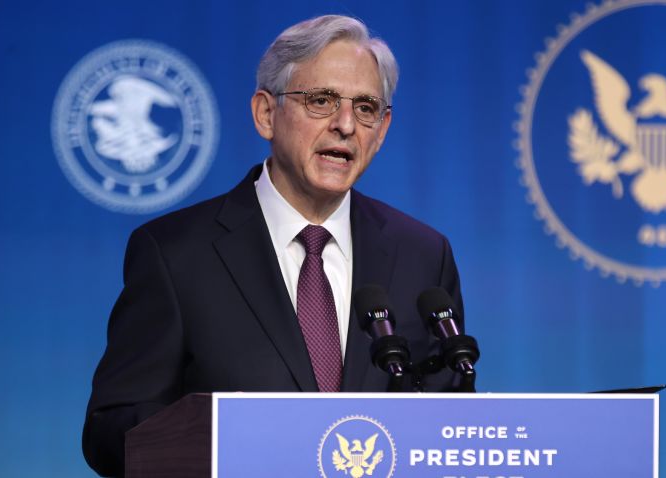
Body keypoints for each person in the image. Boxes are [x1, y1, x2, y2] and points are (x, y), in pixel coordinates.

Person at [83, 14, 464, 476]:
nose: (346, 125)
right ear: (266, 113)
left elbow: (451, 427)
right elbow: (110, 432)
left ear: (381, 131)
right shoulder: (175, 254)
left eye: (366, 108)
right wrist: (224, 440)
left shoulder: (422, 255)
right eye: (321, 100)